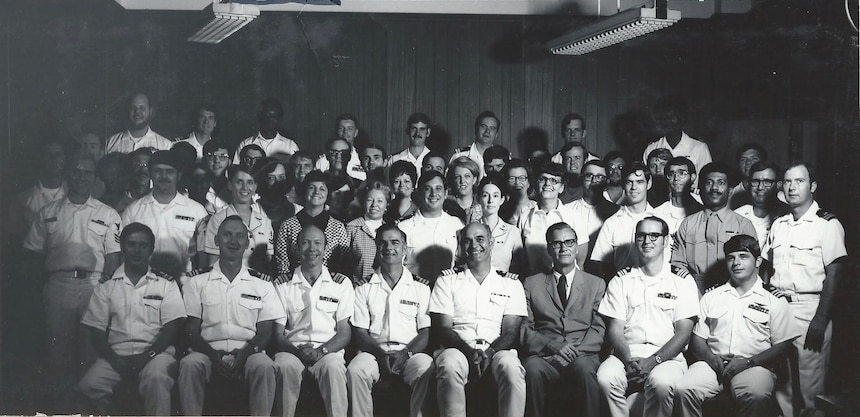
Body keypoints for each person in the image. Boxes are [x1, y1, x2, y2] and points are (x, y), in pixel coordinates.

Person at [23, 151, 123, 411]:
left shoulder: (108, 214)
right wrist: (38, 293)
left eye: (87, 172)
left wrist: (105, 291)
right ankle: (63, 411)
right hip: (59, 286)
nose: (81, 177)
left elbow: (113, 258)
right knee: (57, 356)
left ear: (94, 177)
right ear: (67, 173)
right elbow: (33, 257)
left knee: (91, 354)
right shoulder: (48, 212)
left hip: (94, 286)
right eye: (76, 171)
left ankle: (90, 412)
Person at [675, 234, 801, 417]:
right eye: (731, 257)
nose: (736, 263)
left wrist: (749, 362)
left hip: (755, 365)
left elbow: (783, 344)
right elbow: (698, 339)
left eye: (743, 256)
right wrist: (712, 359)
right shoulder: (712, 296)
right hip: (713, 363)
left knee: (755, 394)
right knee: (684, 388)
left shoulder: (774, 299)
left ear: (758, 261)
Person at [761, 161, 847, 417]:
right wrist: (767, 294)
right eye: (787, 181)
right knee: (782, 384)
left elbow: (835, 273)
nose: (792, 187)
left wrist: (820, 319)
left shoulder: (827, 225)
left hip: (809, 309)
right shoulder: (780, 225)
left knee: (809, 387)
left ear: (813, 186)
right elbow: (766, 266)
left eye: (799, 181)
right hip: (778, 309)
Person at [77, 223, 186, 415]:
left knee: (156, 378)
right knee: (89, 385)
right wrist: (116, 361)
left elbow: (171, 329)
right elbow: (97, 332)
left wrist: (148, 356)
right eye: (132, 244)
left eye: (143, 245)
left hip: (157, 355)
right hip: (117, 355)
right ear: (122, 248)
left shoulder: (166, 284)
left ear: (151, 250)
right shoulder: (107, 286)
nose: (137, 250)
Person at [179, 216, 283, 416]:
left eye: (239, 236)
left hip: (250, 351)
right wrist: (211, 354)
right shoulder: (197, 281)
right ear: (216, 240)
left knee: (265, 366)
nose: (233, 241)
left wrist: (245, 354)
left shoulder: (262, 284)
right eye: (227, 235)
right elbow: (191, 329)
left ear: (247, 243)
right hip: (207, 350)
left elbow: (265, 332)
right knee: (189, 364)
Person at [596, 216, 699, 417]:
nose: (647, 241)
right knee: (605, 377)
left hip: (668, 357)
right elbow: (615, 329)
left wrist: (653, 361)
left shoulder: (682, 280)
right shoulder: (621, 280)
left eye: (654, 235)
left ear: (666, 240)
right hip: (627, 353)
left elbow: (684, 333)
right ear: (636, 240)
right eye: (641, 236)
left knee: (661, 382)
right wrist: (628, 361)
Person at [428, 222, 528, 417]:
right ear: (461, 246)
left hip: (496, 349)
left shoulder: (511, 283)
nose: (474, 245)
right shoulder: (447, 280)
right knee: (449, 364)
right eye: (467, 241)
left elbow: (510, 331)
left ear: (491, 243)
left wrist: (489, 352)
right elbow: (444, 328)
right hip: (457, 349)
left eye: (480, 239)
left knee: (512, 367)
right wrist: (470, 352)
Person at [347, 223, 434, 417]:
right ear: (376, 249)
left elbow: (425, 332)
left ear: (404, 248)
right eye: (383, 243)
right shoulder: (363, 287)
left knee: (426, 369)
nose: (388, 248)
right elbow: (360, 332)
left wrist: (405, 353)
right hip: (373, 352)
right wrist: (380, 354)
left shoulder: (421, 288)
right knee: (355, 371)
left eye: (395, 242)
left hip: (410, 352)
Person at [521, 222, 606, 417]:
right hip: (545, 355)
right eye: (557, 243)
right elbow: (525, 329)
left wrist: (570, 353)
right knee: (532, 369)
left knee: (584, 369)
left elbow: (599, 329)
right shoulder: (532, 283)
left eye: (569, 242)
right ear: (549, 248)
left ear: (577, 247)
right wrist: (551, 346)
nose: (563, 248)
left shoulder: (596, 284)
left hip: (582, 355)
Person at [272, 225, 354, 417]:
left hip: (328, 351)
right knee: (284, 367)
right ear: (297, 249)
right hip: (291, 350)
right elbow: (277, 333)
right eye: (306, 243)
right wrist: (296, 351)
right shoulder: (282, 284)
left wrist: (320, 351)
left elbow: (344, 332)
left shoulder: (341, 284)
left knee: (333, 368)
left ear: (325, 248)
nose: (312, 249)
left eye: (318, 243)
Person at [671, 162, 757, 294]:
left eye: (721, 183)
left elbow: (752, 267)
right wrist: (691, 290)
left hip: (732, 291)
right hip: (692, 290)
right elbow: (677, 264)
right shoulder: (688, 223)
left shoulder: (743, 225)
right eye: (709, 182)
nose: (714, 188)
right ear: (700, 189)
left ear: (730, 190)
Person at [122, 150, 208, 278]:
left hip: (184, 282)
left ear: (178, 175)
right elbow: (122, 253)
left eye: (170, 172)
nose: (163, 176)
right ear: (151, 174)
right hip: (143, 282)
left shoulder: (197, 211)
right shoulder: (133, 211)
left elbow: (203, 255)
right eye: (158, 171)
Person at [589, 161, 660, 279]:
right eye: (629, 182)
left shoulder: (661, 219)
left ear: (649, 184)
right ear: (623, 185)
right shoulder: (612, 223)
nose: (634, 187)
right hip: (622, 288)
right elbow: (600, 264)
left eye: (640, 182)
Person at [275, 170, 349, 277]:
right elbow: (282, 261)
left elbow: (344, 261)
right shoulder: (287, 225)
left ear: (328, 194)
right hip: (295, 284)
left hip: (329, 286)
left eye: (322, 189)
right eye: (311, 187)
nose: (316, 192)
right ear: (304, 191)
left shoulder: (338, 227)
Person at [201, 166, 274, 273]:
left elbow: (268, 262)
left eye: (250, 182)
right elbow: (213, 263)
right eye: (239, 182)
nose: (245, 188)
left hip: (258, 284)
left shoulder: (265, 221)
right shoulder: (217, 220)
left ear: (255, 187)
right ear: (230, 185)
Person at [519, 163, 589, 273]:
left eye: (554, 181)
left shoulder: (575, 216)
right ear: (537, 184)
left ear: (561, 188)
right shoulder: (525, 216)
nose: (547, 184)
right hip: (535, 281)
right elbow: (521, 258)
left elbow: (580, 261)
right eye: (543, 179)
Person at [398, 170, 465, 284]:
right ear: (419, 193)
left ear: (446, 193)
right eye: (428, 189)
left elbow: (463, 264)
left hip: (447, 291)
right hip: (413, 291)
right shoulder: (403, 227)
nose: (433, 194)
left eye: (438, 188)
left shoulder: (457, 225)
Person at [642, 95, 712, 182]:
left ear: (682, 119)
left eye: (671, 117)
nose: (667, 122)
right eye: (663, 119)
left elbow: (707, 179)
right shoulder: (651, 149)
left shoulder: (699, 148)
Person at [564, 160, 618, 261]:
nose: (594, 181)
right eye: (589, 176)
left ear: (607, 182)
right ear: (581, 179)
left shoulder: (616, 212)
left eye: (599, 177)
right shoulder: (566, 210)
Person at [14, 139, 67, 240]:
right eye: (48, 155)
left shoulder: (74, 194)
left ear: (64, 159)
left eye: (57, 155)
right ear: (40, 159)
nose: (53, 159)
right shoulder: (23, 199)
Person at [475, 176, 525, 274]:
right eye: (485, 195)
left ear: (502, 199)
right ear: (478, 198)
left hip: (503, 285)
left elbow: (520, 267)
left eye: (495, 196)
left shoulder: (512, 232)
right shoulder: (469, 230)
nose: (490, 201)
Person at [345, 181, 390, 281]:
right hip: (357, 290)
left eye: (380, 201)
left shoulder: (391, 231)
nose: (374, 204)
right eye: (370, 200)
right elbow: (343, 265)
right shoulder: (351, 228)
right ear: (363, 203)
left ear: (387, 205)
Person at [233, 98, 299, 164]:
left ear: (279, 120)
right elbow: (236, 169)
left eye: (274, 117)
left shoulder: (290, 146)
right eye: (267, 116)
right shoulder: (245, 144)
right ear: (260, 118)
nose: (270, 120)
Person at [734, 161, 786, 246]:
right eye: (755, 181)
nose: (760, 187)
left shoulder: (788, 215)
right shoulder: (737, 216)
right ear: (748, 185)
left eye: (767, 182)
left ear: (778, 185)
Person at [652, 157, 703, 242]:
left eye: (682, 173)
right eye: (671, 174)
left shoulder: (702, 213)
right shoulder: (657, 213)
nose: (676, 178)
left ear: (693, 177)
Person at [105, 93, 172, 154]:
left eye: (142, 108)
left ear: (150, 111)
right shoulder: (110, 143)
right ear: (127, 111)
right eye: (133, 108)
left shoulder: (165, 145)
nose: (137, 112)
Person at [316, 114, 366, 181]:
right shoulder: (322, 161)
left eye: (350, 128)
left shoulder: (362, 159)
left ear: (356, 132)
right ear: (336, 131)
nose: (345, 132)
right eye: (341, 128)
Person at [450, 110, 501, 176]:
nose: (487, 131)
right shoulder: (459, 156)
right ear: (476, 129)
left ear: (496, 134)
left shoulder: (502, 158)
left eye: (492, 128)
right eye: (483, 126)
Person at [252, 157, 297, 230]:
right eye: (271, 178)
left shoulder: (298, 211)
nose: (278, 182)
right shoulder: (253, 211)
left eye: (281, 177)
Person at [728, 142, 767, 209]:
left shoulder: (776, 193)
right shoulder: (731, 196)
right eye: (743, 159)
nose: (748, 162)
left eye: (754, 159)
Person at [445, 156, 482, 223]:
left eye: (467, 176)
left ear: (474, 179)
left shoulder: (482, 204)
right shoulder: (446, 206)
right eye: (458, 177)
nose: (462, 181)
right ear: (452, 180)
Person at [499, 158, 536, 226]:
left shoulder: (536, 209)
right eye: (512, 178)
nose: (517, 182)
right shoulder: (500, 210)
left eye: (522, 178)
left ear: (529, 183)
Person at [202, 139, 232, 214]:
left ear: (229, 162)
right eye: (211, 156)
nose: (217, 161)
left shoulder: (234, 189)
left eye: (222, 156)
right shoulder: (196, 188)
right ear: (204, 160)